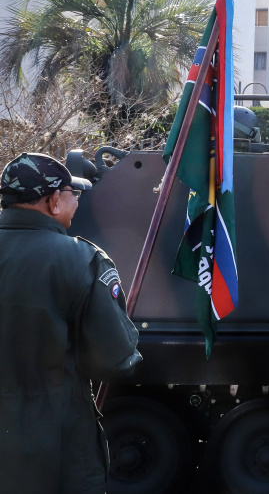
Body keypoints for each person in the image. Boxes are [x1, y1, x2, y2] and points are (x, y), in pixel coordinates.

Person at [0, 152, 142, 493]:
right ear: (53, 201)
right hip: (55, 448)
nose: (76, 201)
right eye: (72, 193)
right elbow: (115, 361)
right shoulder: (82, 260)